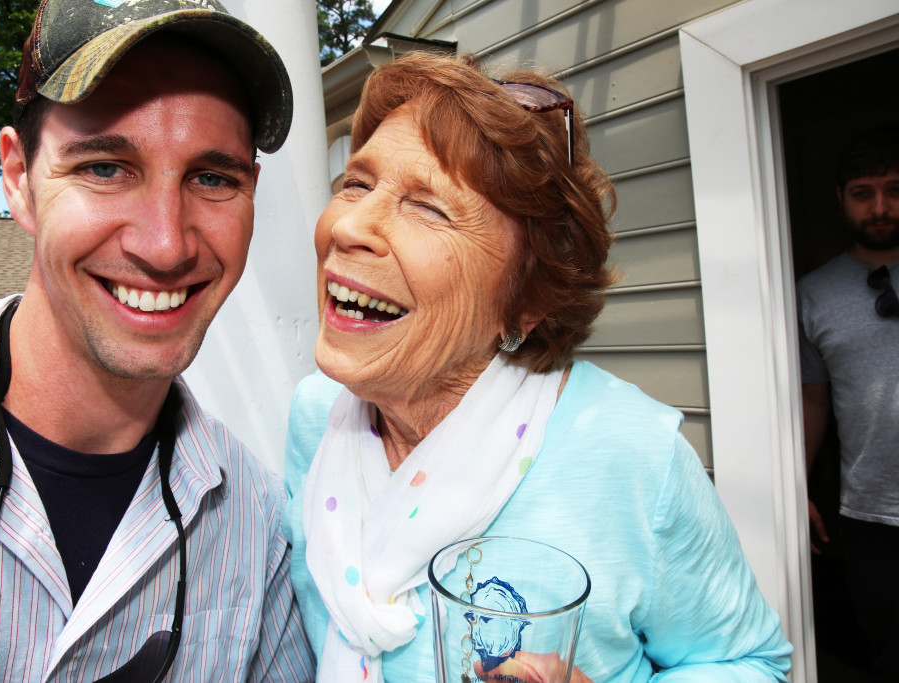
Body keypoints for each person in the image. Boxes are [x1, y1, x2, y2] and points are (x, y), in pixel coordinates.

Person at [282, 52, 792, 683]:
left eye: (428, 207)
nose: (349, 226)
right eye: (356, 184)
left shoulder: (631, 456)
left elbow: (752, 664)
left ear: (526, 300)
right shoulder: (313, 416)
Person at [0, 0, 315, 680]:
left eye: (212, 177)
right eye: (105, 167)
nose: (166, 244)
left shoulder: (261, 532)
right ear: (19, 178)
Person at [798, 124, 899, 682]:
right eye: (864, 193)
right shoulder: (814, 294)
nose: (880, 207)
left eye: (893, 189)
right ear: (841, 200)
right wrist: (800, 484)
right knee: (885, 650)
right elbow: (814, 399)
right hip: (870, 513)